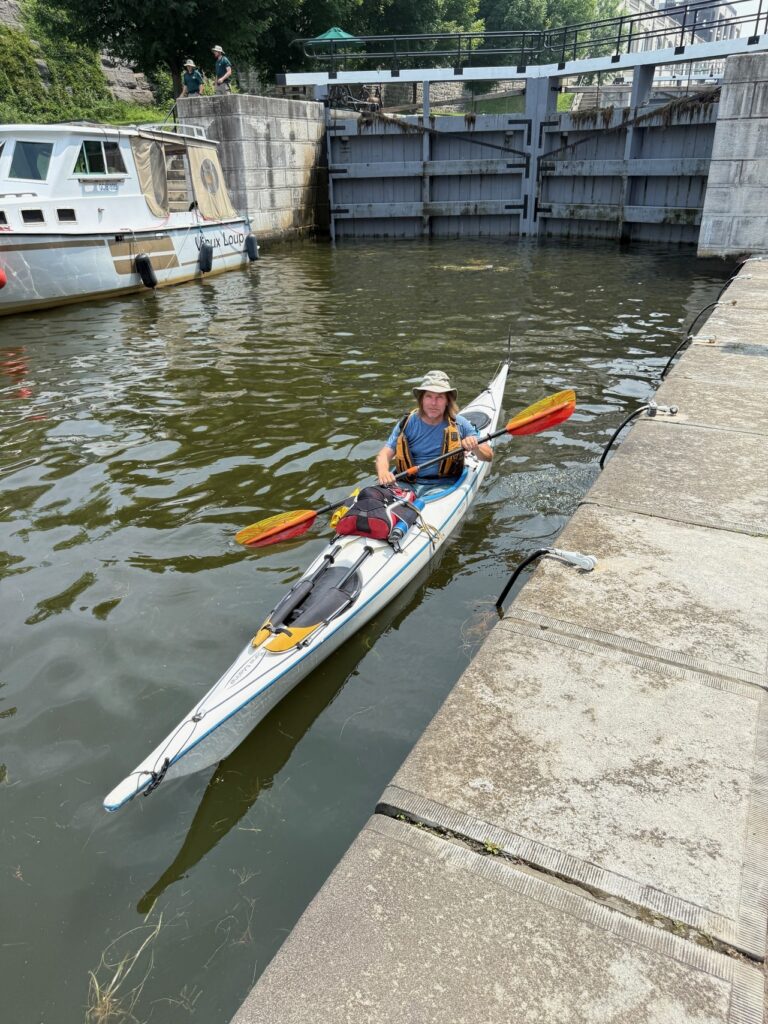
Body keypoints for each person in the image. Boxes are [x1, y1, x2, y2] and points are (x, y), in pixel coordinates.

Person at [376, 370, 493, 495]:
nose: (433, 403)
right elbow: (383, 454)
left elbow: (488, 456)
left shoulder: (459, 423)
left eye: (439, 397)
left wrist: (475, 447)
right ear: (421, 399)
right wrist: (383, 472)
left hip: (443, 486)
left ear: (447, 401)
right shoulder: (407, 423)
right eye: (429, 396)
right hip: (407, 483)